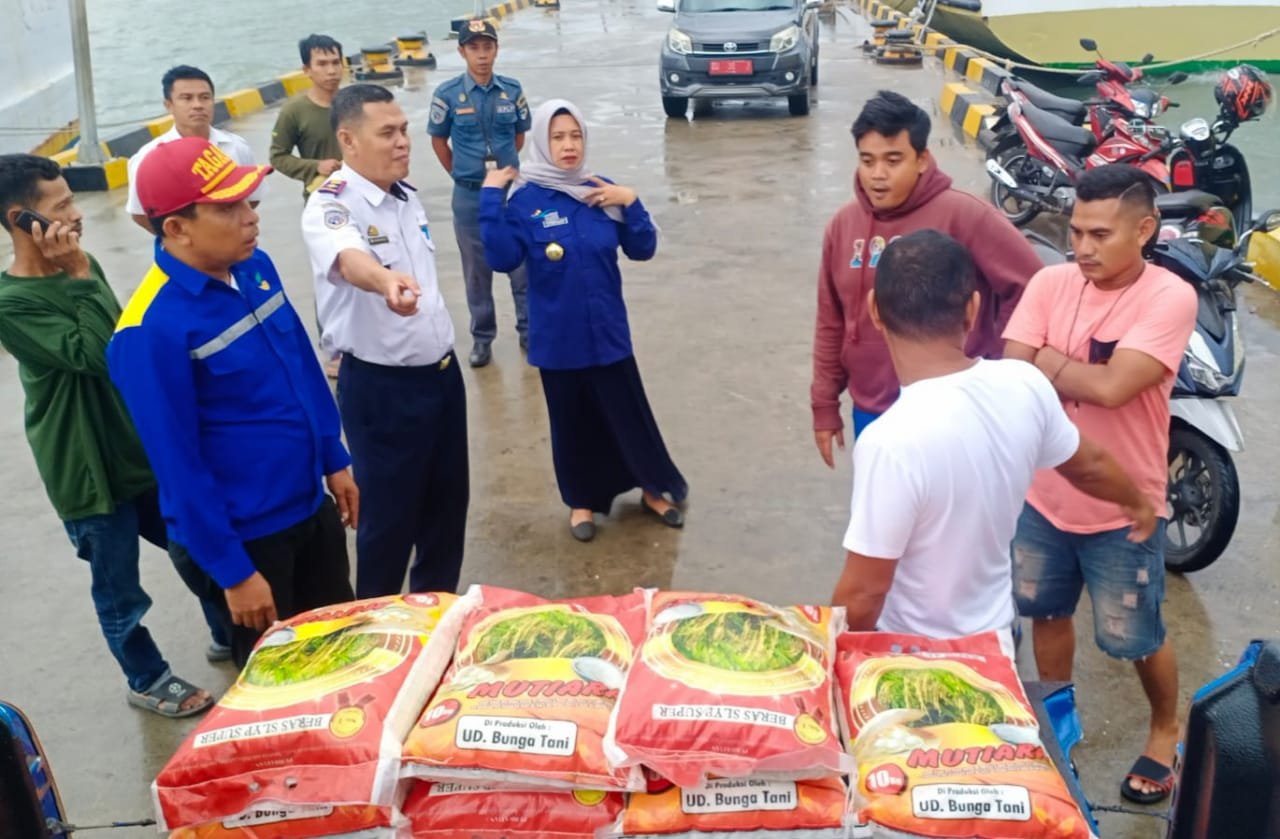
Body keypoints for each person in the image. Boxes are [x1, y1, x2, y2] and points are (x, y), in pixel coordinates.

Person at [832, 228, 1155, 640]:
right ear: (972, 308)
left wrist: (830, 654)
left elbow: (864, 592)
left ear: (875, 311)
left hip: (915, 655)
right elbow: (1089, 465)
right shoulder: (1024, 383)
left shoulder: (889, 442)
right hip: (995, 639)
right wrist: (1136, 502)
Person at [108, 137, 357, 668]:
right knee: (281, 682)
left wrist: (333, 458)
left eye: (248, 200)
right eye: (227, 208)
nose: (250, 216)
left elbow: (299, 364)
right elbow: (177, 466)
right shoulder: (149, 331)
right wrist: (234, 572)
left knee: (343, 652)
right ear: (177, 229)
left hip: (308, 506)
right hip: (249, 541)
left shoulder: (253, 267)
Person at [1004, 164, 1197, 805]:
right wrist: (1059, 369)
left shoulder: (1169, 298)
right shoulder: (1050, 282)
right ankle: (1058, 728)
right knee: (1045, 611)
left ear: (1144, 230)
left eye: (1100, 234)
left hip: (1124, 508)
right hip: (1042, 498)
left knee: (1134, 637)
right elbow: (1013, 374)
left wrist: (1046, 361)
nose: (1082, 247)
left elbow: (1115, 388)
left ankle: (1165, 729)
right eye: (1076, 232)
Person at [0, 154, 214, 717]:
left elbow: (123, 341)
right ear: (23, 219)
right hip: (86, 466)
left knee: (196, 544)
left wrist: (79, 273)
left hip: (132, 445)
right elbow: (96, 355)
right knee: (120, 590)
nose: (76, 214)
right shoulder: (11, 304)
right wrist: (76, 277)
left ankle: (230, 631)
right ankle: (147, 677)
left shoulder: (83, 263)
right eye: (62, 206)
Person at [480, 99, 687, 542]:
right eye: (557, 137)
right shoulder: (526, 201)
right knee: (572, 425)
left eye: (575, 135)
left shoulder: (600, 191)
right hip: (559, 339)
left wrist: (630, 202)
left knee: (629, 418)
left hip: (608, 332)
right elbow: (502, 258)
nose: (568, 145)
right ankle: (581, 501)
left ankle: (652, 489)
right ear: (542, 142)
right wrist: (490, 197)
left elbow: (642, 248)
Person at [811, 90, 1040, 467]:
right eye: (867, 161)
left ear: (922, 159)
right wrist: (824, 404)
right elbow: (830, 320)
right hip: (871, 409)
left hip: (957, 413)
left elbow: (1034, 290)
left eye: (893, 160)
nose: (878, 174)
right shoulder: (842, 226)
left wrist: (1000, 369)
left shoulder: (966, 216)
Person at [301, 85, 468, 597]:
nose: (402, 142)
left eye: (404, 131)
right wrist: (385, 281)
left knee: (446, 512)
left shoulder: (404, 197)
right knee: (389, 523)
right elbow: (350, 258)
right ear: (348, 140)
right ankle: (376, 620)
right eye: (387, 133)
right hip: (384, 390)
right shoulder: (331, 205)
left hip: (442, 378)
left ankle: (435, 610)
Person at [428, 18, 531, 368]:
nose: (482, 55)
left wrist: (503, 174)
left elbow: (519, 136)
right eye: (474, 48)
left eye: (488, 47)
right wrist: (463, 174)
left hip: (509, 195)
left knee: (521, 266)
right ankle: (482, 338)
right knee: (476, 272)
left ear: (496, 50)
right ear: (462, 52)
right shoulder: (447, 94)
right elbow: (439, 141)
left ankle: (528, 330)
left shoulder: (511, 91)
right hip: (469, 196)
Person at [125, 65, 264, 232]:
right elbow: (140, 213)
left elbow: (253, 196)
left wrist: (227, 227)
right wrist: (181, 239)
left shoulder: (236, 146)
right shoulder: (148, 158)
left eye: (205, 97)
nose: (198, 105)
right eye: (187, 98)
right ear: (169, 105)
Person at [269, 34, 345, 201]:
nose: (331, 71)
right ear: (307, 70)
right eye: (322, 64)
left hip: (366, 194)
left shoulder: (357, 103)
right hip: (322, 198)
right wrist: (316, 166)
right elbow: (278, 157)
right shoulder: (294, 111)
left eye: (335, 62)